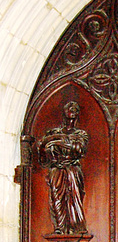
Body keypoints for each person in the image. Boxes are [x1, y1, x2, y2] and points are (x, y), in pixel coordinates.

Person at [38, 101, 88, 235]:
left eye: (75, 109)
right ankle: (60, 228)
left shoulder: (80, 133)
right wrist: (61, 140)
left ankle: (75, 228)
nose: (72, 110)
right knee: (57, 197)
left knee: (74, 198)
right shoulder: (53, 131)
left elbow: (78, 148)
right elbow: (42, 148)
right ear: (64, 112)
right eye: (69, 108)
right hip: (56, 169)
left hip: (72, 170)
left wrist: (55, 140)